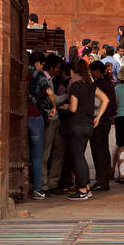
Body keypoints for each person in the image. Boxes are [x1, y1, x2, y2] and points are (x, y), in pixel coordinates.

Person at [63, 59, 106, 200]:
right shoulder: (91, 85)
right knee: (81, 157)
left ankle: (82, 189)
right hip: (88, 124)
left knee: (78, 157)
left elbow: (74, 108)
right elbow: (105, 99)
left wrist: (65, 107)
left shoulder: (76, 86)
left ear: (73, 72)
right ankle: (87, 187)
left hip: (77, 124)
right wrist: (98, 116)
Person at [26, 51, 55, 199]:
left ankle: (22, 185)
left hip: (22, 117)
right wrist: (54, 106)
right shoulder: (39, 76)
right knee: (37, 156)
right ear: (39, 63)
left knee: (24, 154)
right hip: (36, 116)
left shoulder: (22, 73)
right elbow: (49, 93)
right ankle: (37, 189)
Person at [90, 59, 118, 192]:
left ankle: (102, 179)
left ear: (96, 71)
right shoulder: (107, 82)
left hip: (99, 119)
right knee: (102, 150)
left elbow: (98, 102)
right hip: (105, 119)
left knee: (99, 150)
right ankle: (102, 178)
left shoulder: (100, 84)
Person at [44, 58, 70, 191]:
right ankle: (44, 183)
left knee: (58, 151)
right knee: (47, 152)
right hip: (50, 118)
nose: (59, 70)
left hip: (55, 118)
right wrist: (67, 95)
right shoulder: (45, 79)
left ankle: (52, 182)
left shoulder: (50, 79)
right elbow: (51, 99)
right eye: (57, 67)